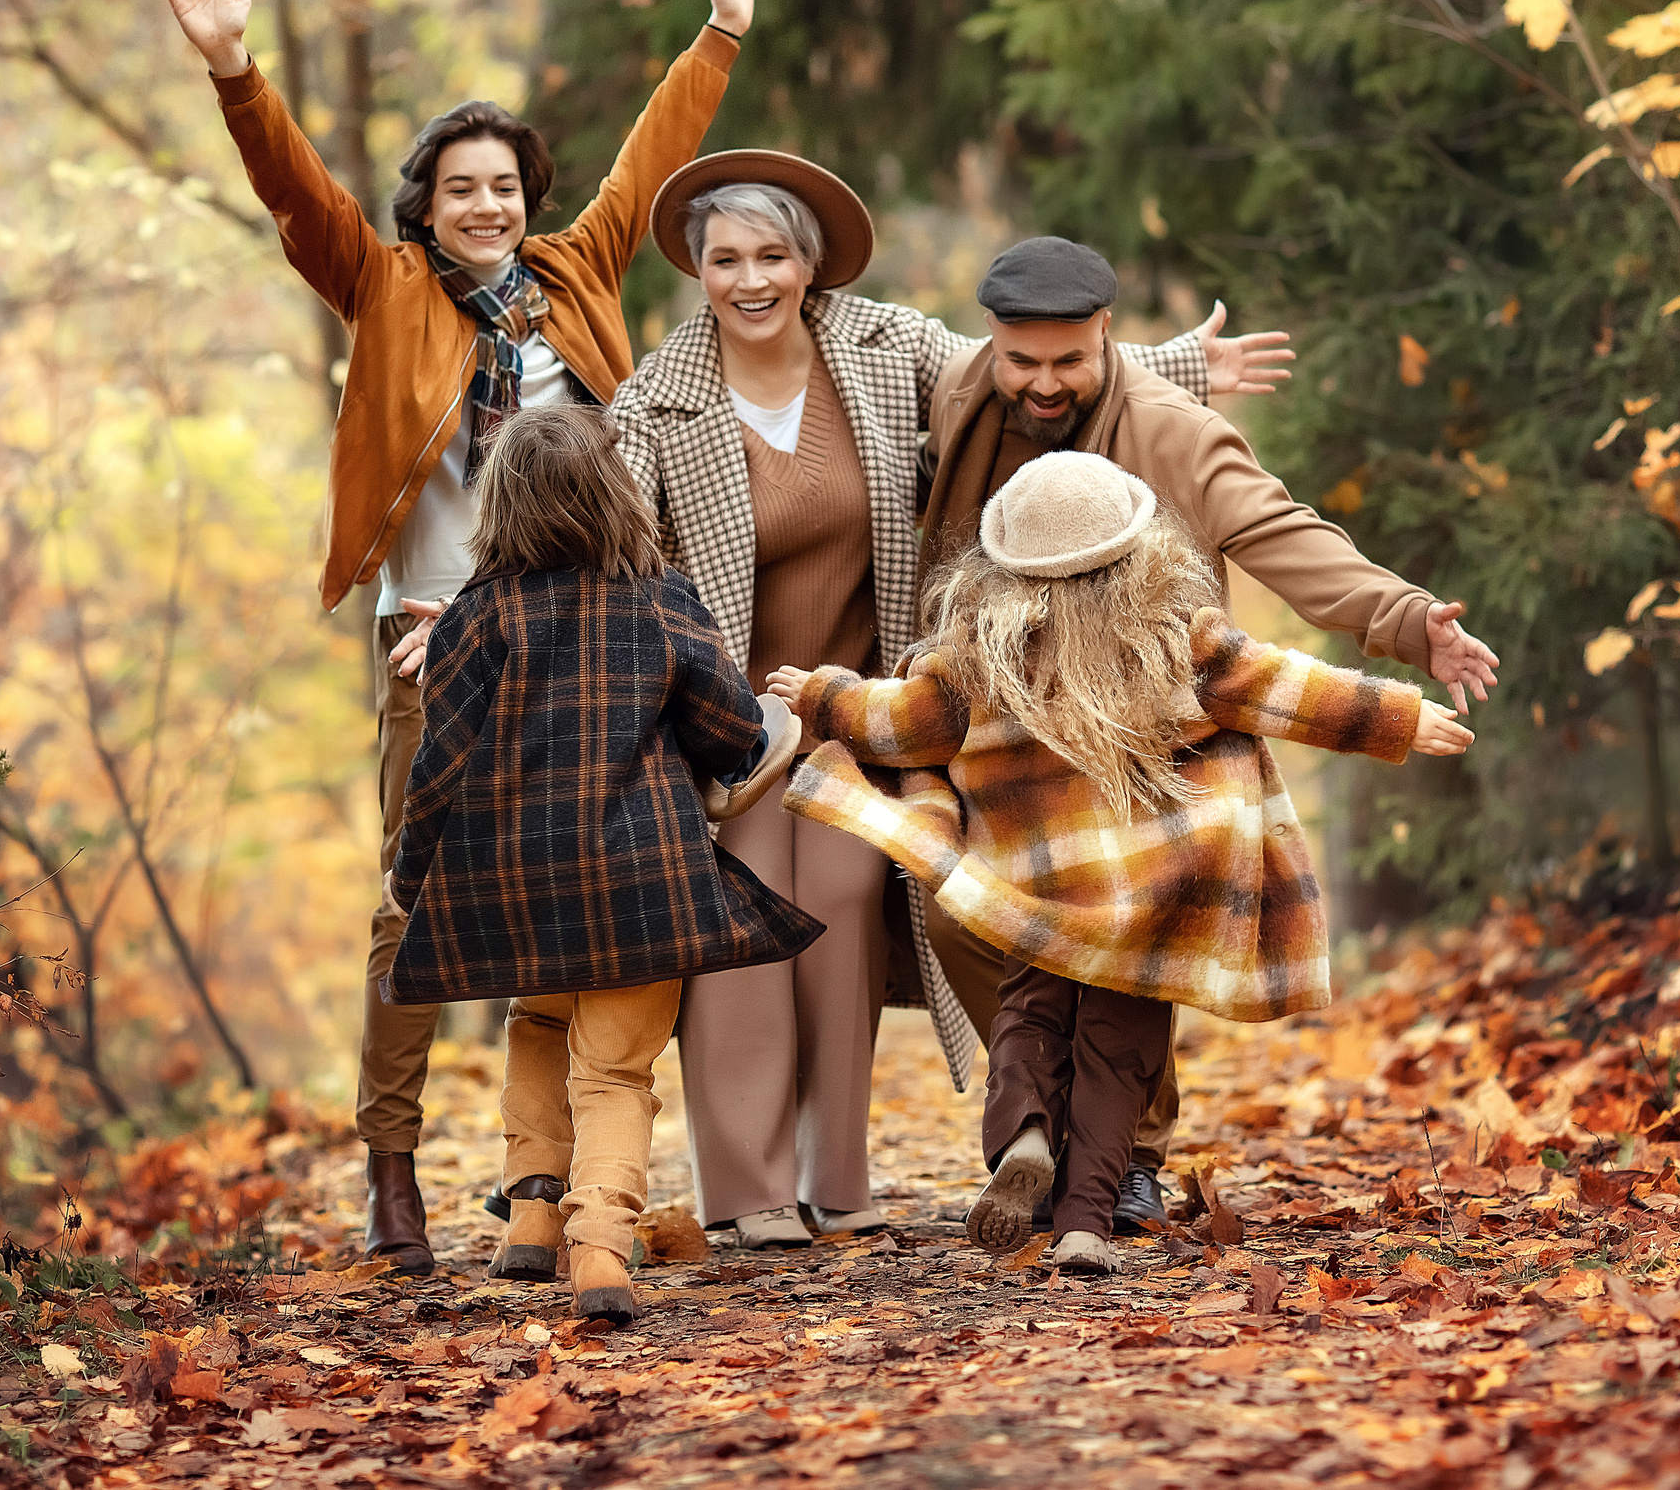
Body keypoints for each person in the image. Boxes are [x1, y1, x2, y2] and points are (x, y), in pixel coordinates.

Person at [154, 0, 777, 1273]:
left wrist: (719, 30)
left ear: (527, 194)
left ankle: (556, 1190)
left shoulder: (577, 277)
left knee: (602, 890)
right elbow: (297, 194)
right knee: (408, 895)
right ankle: (394, 1169)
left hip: (600, 642)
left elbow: (652, 159)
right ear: (423, 206)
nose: (489, 205)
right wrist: (234, 72)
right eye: (461, 188)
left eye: (506, 183)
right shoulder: (379, 291)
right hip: (437, 646)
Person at [574, 151, 1290, 1249]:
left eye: (772, 255)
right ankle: (749, 1189)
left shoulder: (878, 346)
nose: (750, 278)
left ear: (809, 267)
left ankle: (835, 1175)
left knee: (850, 902)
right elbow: (601, 549)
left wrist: (1182, 363)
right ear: (696, 269)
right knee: (741, 920)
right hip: (727, 717)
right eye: (726, 259)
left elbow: (1013, 362)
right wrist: (482, 604)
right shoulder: (656, 402)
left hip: (864, 707)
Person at [911, 236, 1505, 1236]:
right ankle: (1046, 1128)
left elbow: (1285, 535)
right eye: (1023, 361)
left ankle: (1123, 1159)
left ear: (1108, 338)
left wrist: (1406, 623)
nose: (1042, 383)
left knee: (1134, 938)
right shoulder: (964, 394)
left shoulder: (1175, 435)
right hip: (1017, 745)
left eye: (1069, 362)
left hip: (1152, 745)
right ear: (993, 346)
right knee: (958, 916)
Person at [773, 453, 1474, 1272]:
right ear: (1143, 552)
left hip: (1035, 893)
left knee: (1026, 1020)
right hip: (1153, 900)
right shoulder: (1182, 641)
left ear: (1000, 565)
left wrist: (819, 692)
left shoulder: (977, 661)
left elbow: (892, 725)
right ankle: (1084, 1225)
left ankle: (1025, 1134)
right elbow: (1288, 687)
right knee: (1119, 1055)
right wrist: (1397, 716)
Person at [384, 406, 823, 1322]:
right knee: (618, 1070)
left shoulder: (474, 614)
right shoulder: (662, 597)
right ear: (618, 494)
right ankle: (600, 1252)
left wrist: (409, 868)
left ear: (497, 506)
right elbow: (736, 730)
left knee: (537, 1024)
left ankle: (530, 1221)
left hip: (514, 883)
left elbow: (438, 766)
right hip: (641, 884)